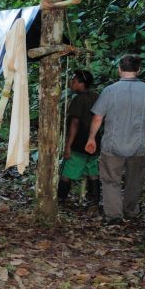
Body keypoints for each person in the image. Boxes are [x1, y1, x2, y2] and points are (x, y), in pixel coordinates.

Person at [85, 55, 145, 225]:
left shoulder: (109, 90)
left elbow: (98, 117)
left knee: (111, 180)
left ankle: (114, 216)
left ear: (119, 69)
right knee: (135, 179)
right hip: (139, 144)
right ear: (138, 70)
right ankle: (130, 210)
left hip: (113, 145)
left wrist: (91, 138)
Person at [59, 70, 100, 206]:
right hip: (94, 143)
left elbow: (75, 123)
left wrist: (68, 145)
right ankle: (94, 201)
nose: (72, 83)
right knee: (92, 171)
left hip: (79, 143)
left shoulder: (79, 99)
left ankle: (60, 200)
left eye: (74, 81)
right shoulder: (97, 96)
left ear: (82, 84)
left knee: (67, 172)